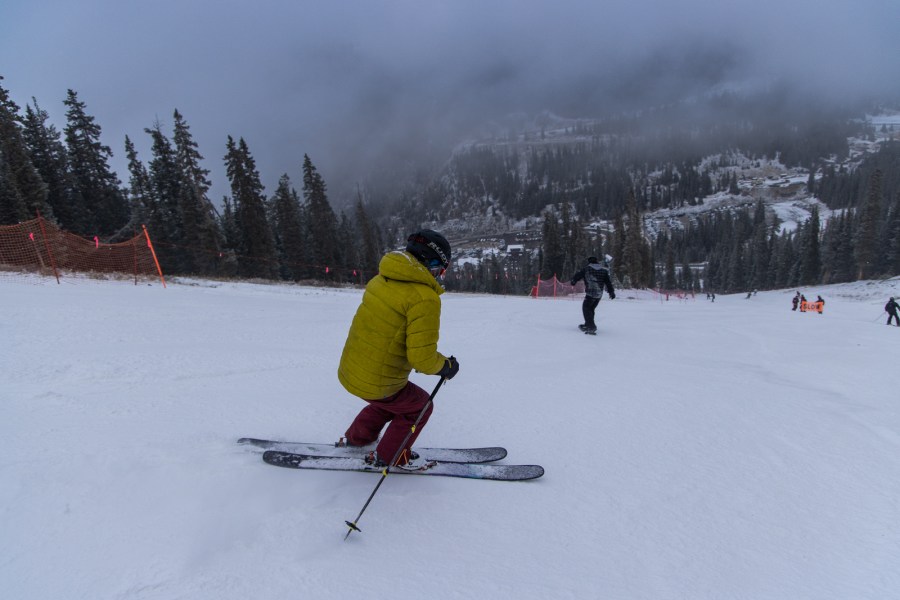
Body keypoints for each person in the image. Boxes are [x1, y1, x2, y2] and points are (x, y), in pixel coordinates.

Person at [337, 229, 459, 469]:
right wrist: (446, 367)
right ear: (431, 264)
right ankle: (390, 456)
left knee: (392, 400)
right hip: (377, 381)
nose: (439, 276)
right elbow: (421, 358)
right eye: (440, 270)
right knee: (419, 406)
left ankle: (358, 439)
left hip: (351, 371)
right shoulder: (424, 298)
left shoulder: (381, 279)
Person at [569, 256, 615, 334]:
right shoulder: (603, 271)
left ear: (589, 262)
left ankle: (591, 326)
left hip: (590, 294)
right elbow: (608, 282)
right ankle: (588, 324)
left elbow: (577, 275)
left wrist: (573, 281)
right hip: (598, 295)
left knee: (586, 308)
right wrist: (611, 292)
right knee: (591, 309)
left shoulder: (586, 269)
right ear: (597, 262)